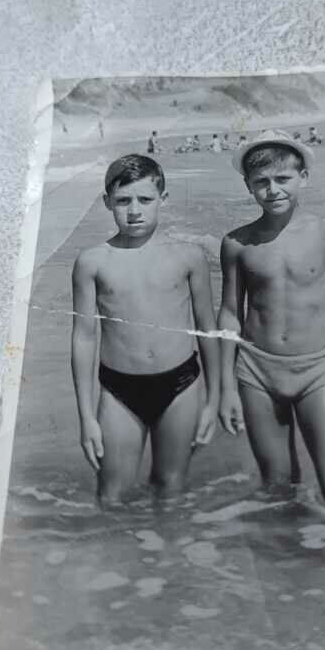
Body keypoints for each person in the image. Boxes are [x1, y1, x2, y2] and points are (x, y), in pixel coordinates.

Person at [217, 130, 325, 509]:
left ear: (303, 177)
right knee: (278, 491)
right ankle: (295, 563)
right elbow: (230, 312)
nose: (273, 189)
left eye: (283, 179)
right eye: (261, 182)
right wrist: (226, 387)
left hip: (316, 370)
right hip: (256, 373)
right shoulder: (237, 243)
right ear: (248, 186)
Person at [71, 154, 219, 505]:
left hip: (181, 386)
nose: (134, 210)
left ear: (163, 200)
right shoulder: (93, 262)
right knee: (111, 496)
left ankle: (161, 558)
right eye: (123, 201)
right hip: (119, 391)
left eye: (145, 200)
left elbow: (207, 328)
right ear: (107, 202)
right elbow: (83, 337)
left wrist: (214, 399)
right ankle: (117, 559)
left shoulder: (188, 256)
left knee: (170, 490)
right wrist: (86, 417)